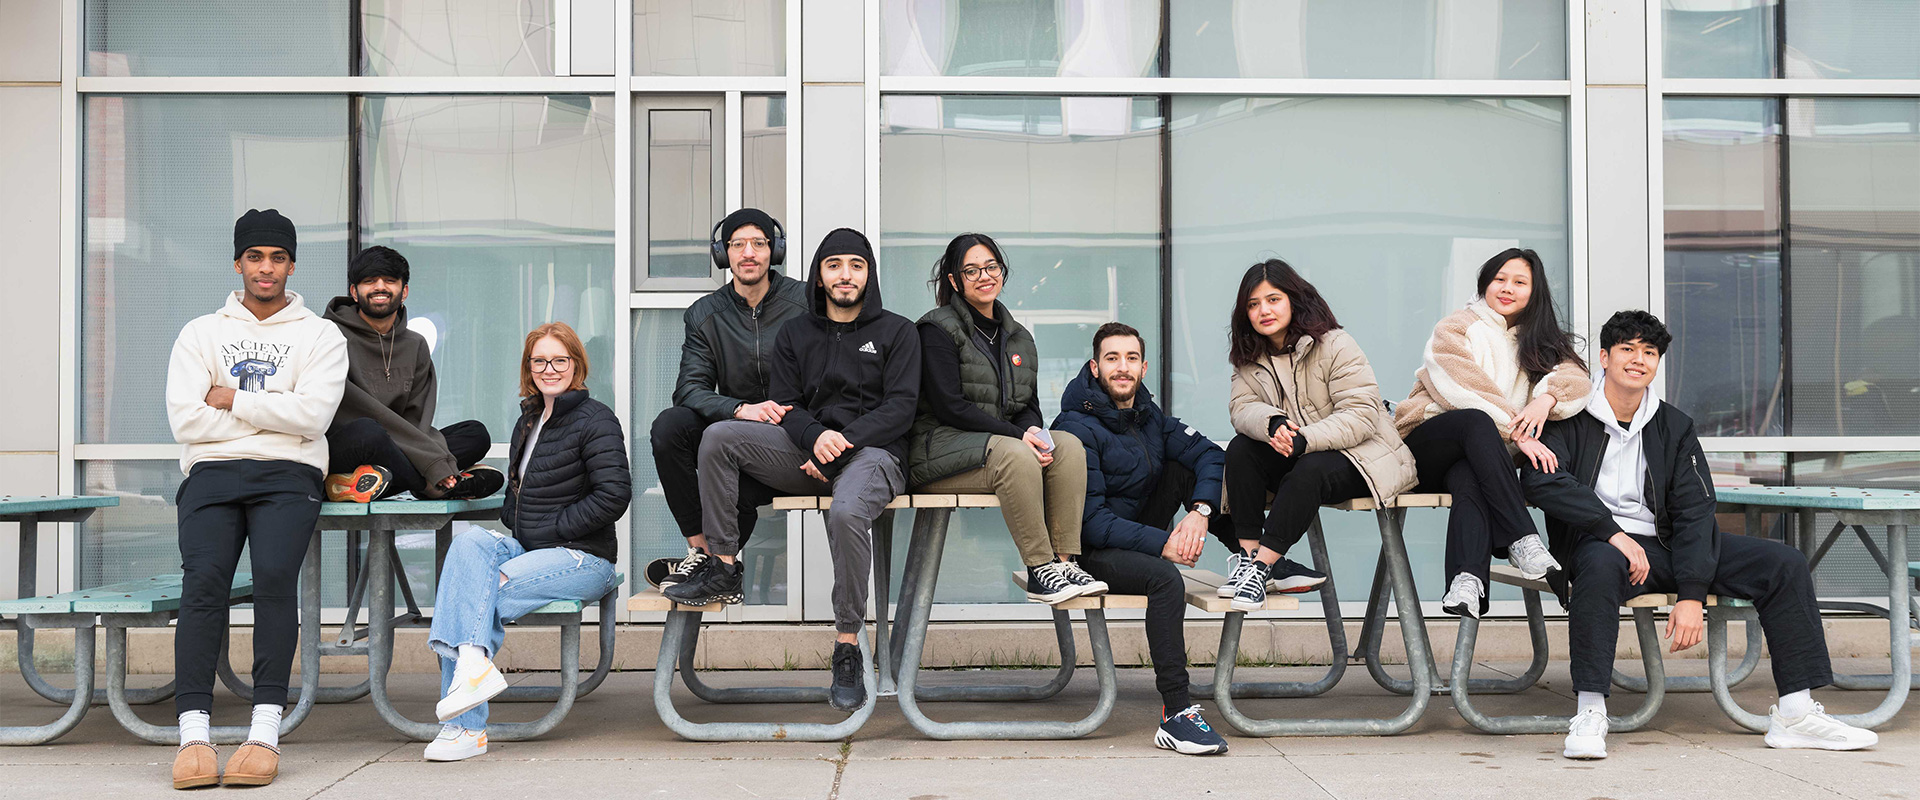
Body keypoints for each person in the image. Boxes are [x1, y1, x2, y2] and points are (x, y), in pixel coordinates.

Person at [1522, 310, 1877, 759]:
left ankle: (1795, 713)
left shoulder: (1673, 425)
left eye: (1649, 352)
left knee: (1782, 563)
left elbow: (1694, 511)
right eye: (1627, 349)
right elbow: (1542, 482)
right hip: (1601, 547)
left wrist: (1692, 592)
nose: (1638, 359)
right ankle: (1591, 712)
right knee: (1596, 565)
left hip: (1668, 547)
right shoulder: (1569, 418)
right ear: (1605, 358)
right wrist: (1611, 532)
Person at [664, 228, 919, 713]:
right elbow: (788, 405)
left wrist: (836, 449)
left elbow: (901, 409)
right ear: (820, 276)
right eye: (834, 265)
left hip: (874, 455)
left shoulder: (897, 331)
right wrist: (814, 440)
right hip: (809, 449)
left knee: (845, 512)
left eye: (856, 265)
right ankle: (723, 565)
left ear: (869, 274)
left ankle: (847, 644)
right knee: (719, 436)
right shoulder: (796, 334)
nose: (845, 275)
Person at [164, 209, 348, 789]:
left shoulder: (320, 335)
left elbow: (314, 416)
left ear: (291, 265)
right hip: (212, 474)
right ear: (238, 262)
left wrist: (232, 398)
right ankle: (193, 734)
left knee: (273, 580)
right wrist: (274, 410)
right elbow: (186, 421)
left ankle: (264, 731)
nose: (265, 268)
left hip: (289, 475)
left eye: (277, 257)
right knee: (205, 584)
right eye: (255, 257)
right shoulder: (200, 332)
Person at [425, 321, 629, 762]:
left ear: (576, 364)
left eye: (559, 360)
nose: (549, 369)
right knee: (468, 547)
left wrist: (551, 528)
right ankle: (475, 669)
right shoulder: (530, 418)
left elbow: (614, 496)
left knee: (468, 593)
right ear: (529, 367)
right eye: (540, 361)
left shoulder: (596, 419)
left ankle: (464, 729)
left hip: (583, 558)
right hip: (531, 551)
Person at [1051, 322, 1231, 756]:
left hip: (1134, 530)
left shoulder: (1149, 418)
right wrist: (1162, 544)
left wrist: (1199, 515)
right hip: (1091, 552)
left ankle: (1256, 557)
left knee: (1186, 469)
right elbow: (1090, 523)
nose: (1122, 367)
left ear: (1143, 367)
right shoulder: (1076, 426)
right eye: (1112, 358)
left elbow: (1212, 454)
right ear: (1095, 367)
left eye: (1131, 358)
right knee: (1164, 578)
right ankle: (1176, 713)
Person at [1394, 247, 1590, 618]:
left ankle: (1466, 582)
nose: (1507, 288)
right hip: (1427, 445)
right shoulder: (1456, 326)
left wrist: (1545, 400)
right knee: (1476, 421)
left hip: (1482, 459)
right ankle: (1522, 537)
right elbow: (1460, 387)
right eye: (1499, 279)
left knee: (1471, 476)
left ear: (1535, 292)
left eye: (1519, 282)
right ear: (1485, 282)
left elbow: (1578, 382)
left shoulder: (1542, 340)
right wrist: (1519, 432)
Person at [908, 233, 1103, 605]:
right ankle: (1040, 567)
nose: (984, 276)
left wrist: (1031, 429)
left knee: (1066, 445)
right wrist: (1018, 436)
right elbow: (950, 406)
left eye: (991, 266)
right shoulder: (936, 330)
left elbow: (1026, 402)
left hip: (994, 445)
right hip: (939, 449)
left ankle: (1064, 561)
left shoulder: (1019, 337)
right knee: (1015, 453)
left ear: (1002, 270)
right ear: (954, 280)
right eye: (971, 270)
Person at [1219, 260, 1419, 611]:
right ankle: (1250, 559)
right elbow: (1242, 408)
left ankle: (1263, 566)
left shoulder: (1335, 344)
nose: (1263, 310)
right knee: (1240, 450)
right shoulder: (1250, 358)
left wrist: (1304, 439)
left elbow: (1361, 415)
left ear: (1294, 299)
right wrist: (1274, 425)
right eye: (1253, 304)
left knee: (1310, 469)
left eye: (1273, 299)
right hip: (1298, 453)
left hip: (1361, 457)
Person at [647, 208, 809, 588]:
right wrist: (739, 409)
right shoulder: (705, 314)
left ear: (775, 251)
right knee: (669, 427)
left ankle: (716, 568)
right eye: (738, 244)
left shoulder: (805, 303)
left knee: (737, 492)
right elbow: (689, 389)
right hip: (737, 430)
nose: (748, 252)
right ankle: (701, 551)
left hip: (795, 436)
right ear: (724, 253)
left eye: (758, 243)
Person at [322, 245, 500, 502]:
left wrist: (430, 456)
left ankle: (363, 484)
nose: (380, 287)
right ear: (354, 292)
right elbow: (347, 413)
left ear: (404, 291)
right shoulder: (328, 335)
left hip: (398, 446)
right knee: (369, 432)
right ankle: (431, 486)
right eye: (369, 281)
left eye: (390, 281)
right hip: (348, 444)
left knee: (475, 434)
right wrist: (433, 465)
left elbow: (418, 419)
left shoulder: (415, 345)